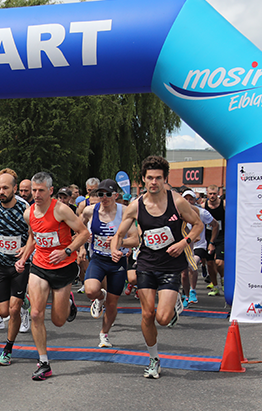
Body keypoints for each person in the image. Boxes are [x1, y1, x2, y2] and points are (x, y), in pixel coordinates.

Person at [111, 156, 203, 379]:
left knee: (163, 318)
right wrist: (115, 249)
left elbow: (198, 224)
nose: (154, 182)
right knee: (147, 313)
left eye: (158, 178)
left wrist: (184, 242)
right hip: (146, 264)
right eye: (150, 178)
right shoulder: (135, 206)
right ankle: (153, 359)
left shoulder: (178, 202)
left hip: (171, 266)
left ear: (165, 180)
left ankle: (174, 302)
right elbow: (119, 234)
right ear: (143, 180)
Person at [25, 172, 90, 380]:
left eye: (41, 190)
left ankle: (68, 303)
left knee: (59, 321)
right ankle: (44, 362)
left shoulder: (61, 210)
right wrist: (24, 255)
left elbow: (83, 233)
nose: (36, 194)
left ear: (50, 191)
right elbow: (33, 237)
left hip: (63, 267)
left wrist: (67, 251)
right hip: (40, 266)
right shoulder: (29, 213)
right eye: (34, 190)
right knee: (35, 314)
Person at [0, 169, 31, 366]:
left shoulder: (25, 209)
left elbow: (34, 236)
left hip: (20, 264)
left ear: (15, 189)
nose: (1, 191)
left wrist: (25, 251)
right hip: (1, 263)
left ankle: (8, 349)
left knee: (14, 309)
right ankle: (25, 300)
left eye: (5, 188)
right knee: (2, 312)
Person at [79, 179, 135, 348]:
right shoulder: (90, 211)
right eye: (100, 194)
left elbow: (136, 239)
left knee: (112, 303)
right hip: (98, 258)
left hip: (117, 261)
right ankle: (99, 298)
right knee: (90, 291)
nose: (104, 197)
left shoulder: (125, 212)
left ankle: (104, 334)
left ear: (116, 196)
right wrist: (82, 244)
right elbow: (77, 227)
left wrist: (120, 243)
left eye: (108, 194)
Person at [179, 188, 215, 306]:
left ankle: (192, 291)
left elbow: (215, 225)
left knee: (192, 265)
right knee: (184, 273)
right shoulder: (178, 212)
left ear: (195, 200)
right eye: (186, 199)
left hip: (198, 245)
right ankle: (185, 294)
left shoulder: (201, 212)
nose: (188, 202)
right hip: (184, 245)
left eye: (191, 199)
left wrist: (212, 242)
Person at [203, 185, 225, 296]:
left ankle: (223, 278)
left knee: (219, 263)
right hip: (208, 236)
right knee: (210, 264)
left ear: (218, 194)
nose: (212, 196)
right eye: (210, 194)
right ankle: (215, 287)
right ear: (207, 194)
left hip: (221, 237)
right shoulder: (204, 206)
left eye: (214, 194)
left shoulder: (223, 205)